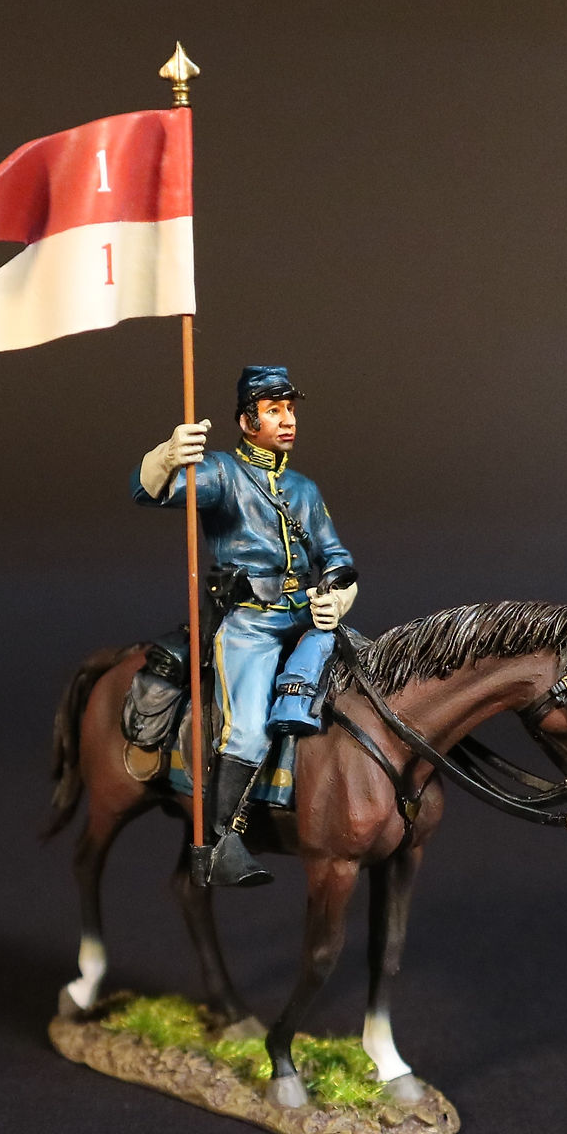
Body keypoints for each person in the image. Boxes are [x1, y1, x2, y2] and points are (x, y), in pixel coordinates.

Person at [132, 365, 358, 887]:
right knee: (249, 728)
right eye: (274, 410)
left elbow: (336, 556)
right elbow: (150, 492)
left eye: (291, 409)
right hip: (250, 624)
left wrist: (339, 597)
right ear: (246, 420)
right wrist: (167, 455)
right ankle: (222, 840)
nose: (288, 420)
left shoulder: (303, 488)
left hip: (307, 617)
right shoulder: (222, 474)